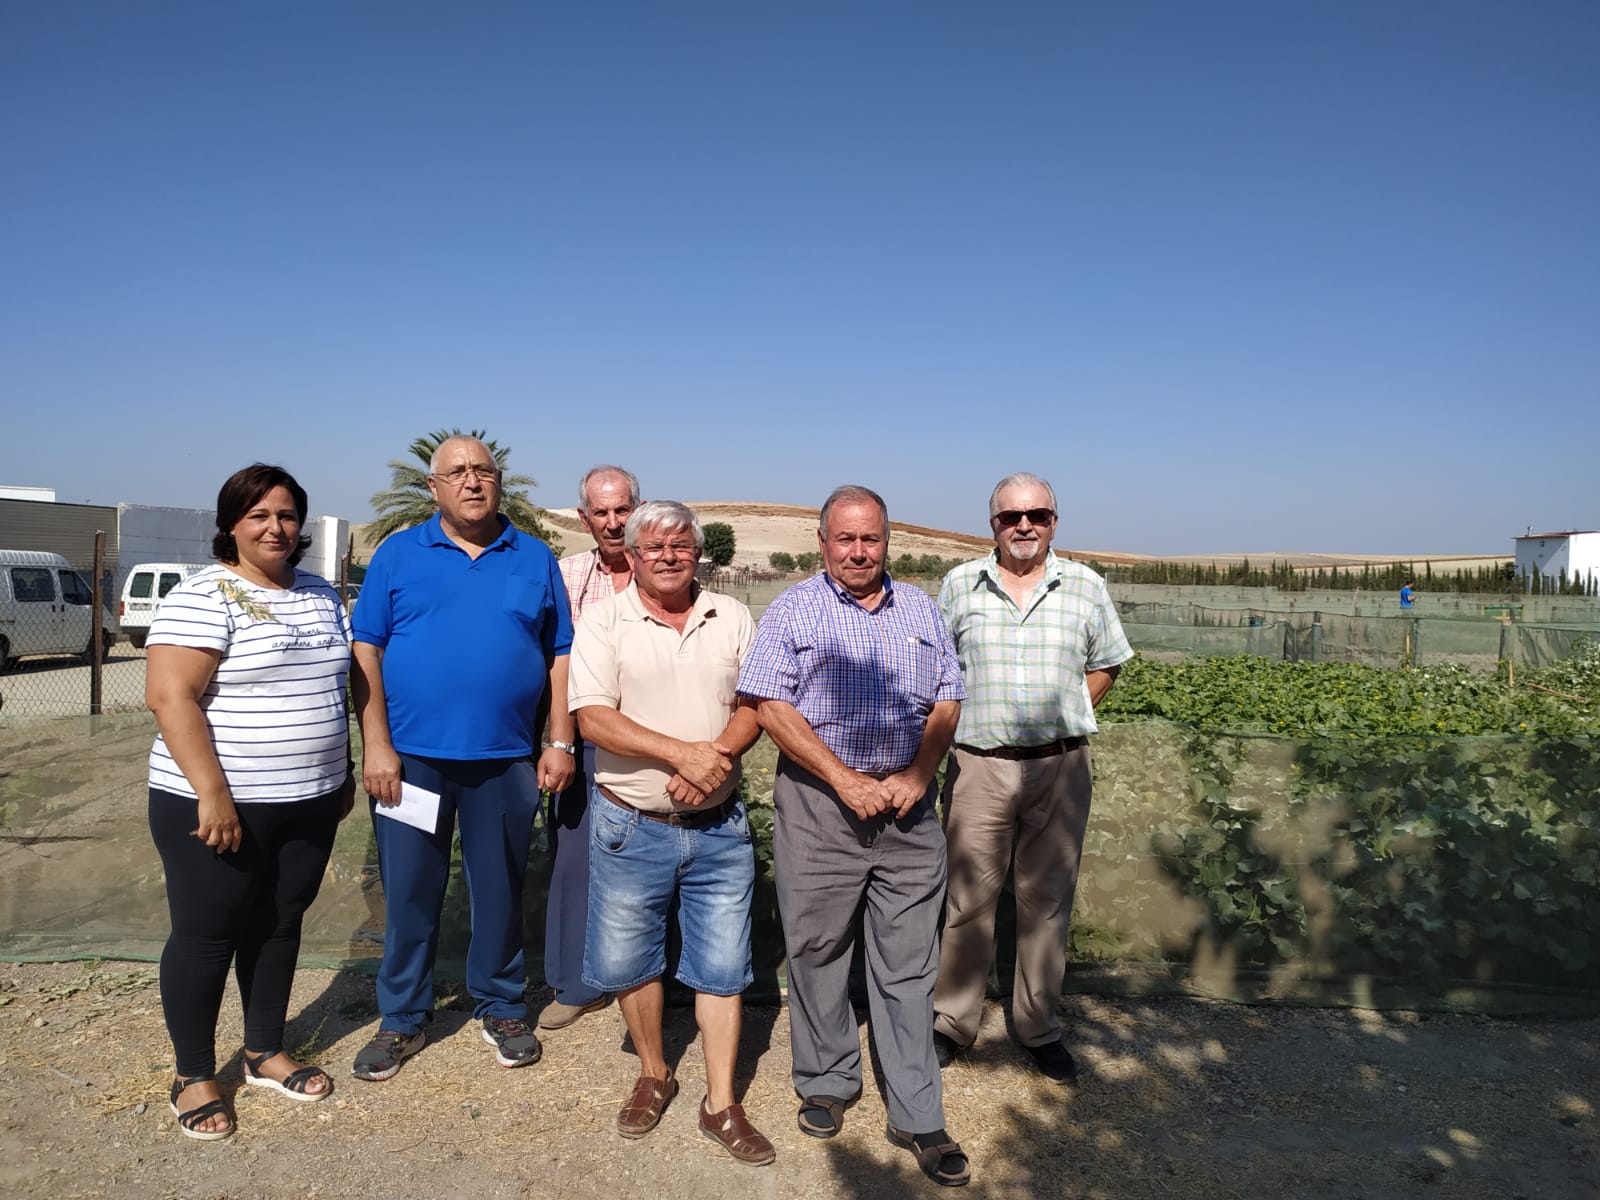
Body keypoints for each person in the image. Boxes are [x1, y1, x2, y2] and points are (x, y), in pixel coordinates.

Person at [737, 485, 972, 1188]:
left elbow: (948, 696)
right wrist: (843, 780)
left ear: (887, 541)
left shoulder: (921, 610)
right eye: (846, 539)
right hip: (820, 806)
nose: (859, 552)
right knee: (817, 948)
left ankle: (916, 1111)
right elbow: (769, 705)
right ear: (823, 542)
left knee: (907, 963)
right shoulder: (793, 610)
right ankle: (827, 1080)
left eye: (870, 539)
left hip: (905, 810)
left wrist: (918, 773)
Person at [349, 435, 577, 1080]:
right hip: (412, 763)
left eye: (483, 471)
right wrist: (377, 744)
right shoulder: (397, 555)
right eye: (457, 473)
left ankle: (501, 1006)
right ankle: (402, 1018)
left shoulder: (533, 559)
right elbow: (367, 649)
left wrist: (557, 740)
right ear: (434, 487)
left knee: (499, 887)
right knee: (411, 890)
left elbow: (560, 654)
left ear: (499, 482)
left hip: (505, 761)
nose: (472, 482)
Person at [145, 464, 356, 1140]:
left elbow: (341, 684)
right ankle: (193, 1073)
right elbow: (170, 696)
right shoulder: (205, 595)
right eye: (259, 514)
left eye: (287, 515)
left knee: (279, 922)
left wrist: (342, 771)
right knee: (208, 935)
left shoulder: (321, 593)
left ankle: (264, 1049)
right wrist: (212, 793)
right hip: (218, 802)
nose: (276, 527)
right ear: (231, 523)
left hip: (309, 799)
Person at [568, 501, 774, 1165]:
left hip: (719, 827)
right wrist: (681, 756)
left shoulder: (732, 616)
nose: (668, 555)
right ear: (629, 553)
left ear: (697, 553)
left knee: (720, 967)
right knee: (631, 960)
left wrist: (712, 758)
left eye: (680, 544)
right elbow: (594, 719)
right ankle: (655, 1072)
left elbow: (756, 703)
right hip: (632, 824)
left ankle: (722, 1104)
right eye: (653, 545)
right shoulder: (604, 622)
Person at [931, 473, 1133, 1085]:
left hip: (1060, 766)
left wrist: (1069, 709)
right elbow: (940, 670)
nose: (1024, 526)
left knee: (1047, 904)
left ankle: (1038, 1027)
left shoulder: (1086, 586)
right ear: (991, 523)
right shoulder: (959, 585)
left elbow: (1106, 663)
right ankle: (952, 1023)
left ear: (1054, 521)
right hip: (978, 765)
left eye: (1037, 515)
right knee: (968, 900)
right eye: (1010, 516)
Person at [540, 464, 640, 1032]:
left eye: (622, 509)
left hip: (653, 739)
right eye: (600, 512)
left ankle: (649, 981)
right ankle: (575, 983)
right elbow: (551, 658)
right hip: (581, 737)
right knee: (576, 858)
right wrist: (559, 739)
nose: (612, 522)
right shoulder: (567, 573)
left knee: (649, 862)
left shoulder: (662, 566)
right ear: (584, 518)